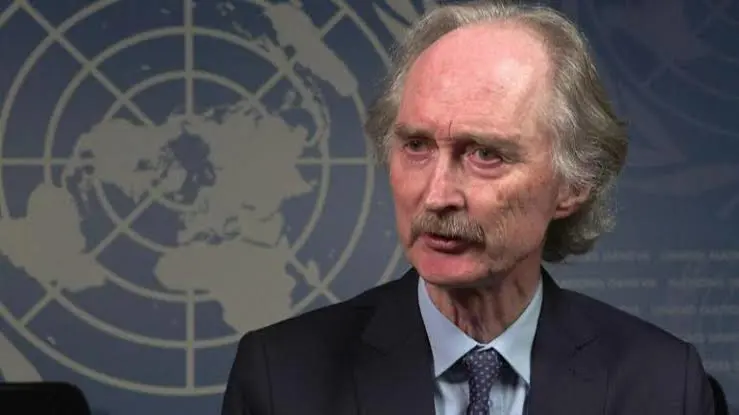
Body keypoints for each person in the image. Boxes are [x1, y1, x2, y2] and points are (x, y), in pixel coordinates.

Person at [221, 1, 716, 414]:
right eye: (417, 146)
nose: (437, 195)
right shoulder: (280, 380)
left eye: (485, 154)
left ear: (573, 183)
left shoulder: (665, 388)